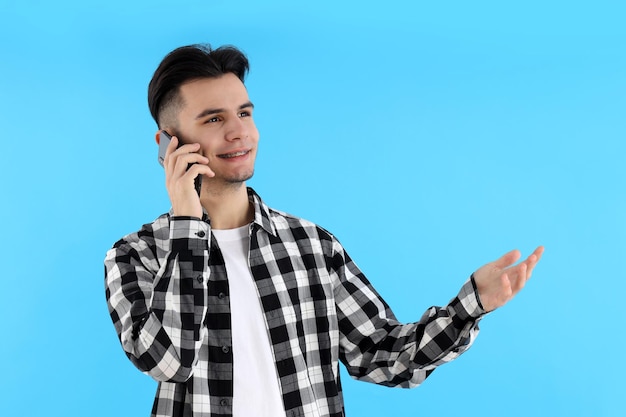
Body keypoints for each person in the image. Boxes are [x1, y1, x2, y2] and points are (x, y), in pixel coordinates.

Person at [104, 44, 544, 417]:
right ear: (168, 144)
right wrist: (186, 222)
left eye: (244, 112)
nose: (240, 131)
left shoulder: (312, 246)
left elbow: (383, 355)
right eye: (214, 119)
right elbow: (165, 361)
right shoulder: (135, 256)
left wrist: (470, 306)